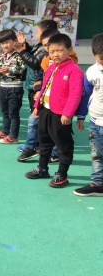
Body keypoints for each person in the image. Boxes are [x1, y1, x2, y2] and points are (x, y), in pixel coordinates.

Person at [25, 33, 84, 188]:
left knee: (64, 145)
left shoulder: (74, 70)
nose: (56, 54)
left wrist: (68, 113)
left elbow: (75, 94)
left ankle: (62, 174)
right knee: (44, 142)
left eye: (60, 50)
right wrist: (37, 106)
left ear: (69, 50)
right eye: (52, 51)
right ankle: (42, 168)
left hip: (60, 114)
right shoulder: (51, 68)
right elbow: (44, 88)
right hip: (46, 111)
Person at [16, 21, 58, 161]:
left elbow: (34, 63)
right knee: (33, 119)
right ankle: (31, 147)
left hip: (54, 100)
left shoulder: (63, 60)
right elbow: (41, 75)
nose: (48, 49)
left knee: (52, 126)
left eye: (38, 31)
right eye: (45, 45)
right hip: (39, 94)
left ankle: (53, 152)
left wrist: (22, 51)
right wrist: (38, 89)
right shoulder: (45, 56)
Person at [75, 33, 103, 196]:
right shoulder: (92, 71)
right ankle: (97, 184)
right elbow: (86, 94)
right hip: (95, 121)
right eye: (101, 58)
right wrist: (81, 116)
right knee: (96, 154)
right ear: (95, 55)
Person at [0, 30, 26, 144]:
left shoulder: (19, 54)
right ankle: (5, 131)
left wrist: (9, 69)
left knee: (13, 113)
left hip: (15, 87)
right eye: (2, 43)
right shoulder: (2, 56)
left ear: (14, 41)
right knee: (5, 112)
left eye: (7, 42)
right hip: (3, 87)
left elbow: (22, 68)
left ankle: (13, 136)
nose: (5, 45)